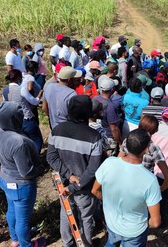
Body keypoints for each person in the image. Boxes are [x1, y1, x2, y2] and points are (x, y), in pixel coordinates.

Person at [47, 95, 102, 247]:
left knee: (66, 212)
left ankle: (67, 243)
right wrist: (74, 183)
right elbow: (93, 168)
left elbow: (51, 157)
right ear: (87, 113)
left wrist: (67, 175)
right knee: (86, 217)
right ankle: (86, 243)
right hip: (84, 187)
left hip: (62, 184)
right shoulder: (94, 137)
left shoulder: (56, 130)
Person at [92, 129, 162, 247]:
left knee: (111, 242)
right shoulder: (150, 180)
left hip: (111, 223)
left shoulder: (109, 163)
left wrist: (110, 203)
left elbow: (94, 190)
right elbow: (155, 222)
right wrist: (141, 224)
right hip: (134, 232)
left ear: (126, 145)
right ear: (146, 149)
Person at [0, 101, 46, 247]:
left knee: (12, 210)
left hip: (5, 178)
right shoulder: (19, 142)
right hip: (20, 185)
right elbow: (26, 172)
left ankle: (15, 239)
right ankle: (25, 244)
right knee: (23, 219)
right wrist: (40, 170)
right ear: (15, 119)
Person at [119, 115, 168, 191]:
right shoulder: (153, 147)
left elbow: (119, 160)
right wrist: (160, 189)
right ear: (154, 131)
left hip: (127, 181)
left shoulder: (128, 140)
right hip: (145, 186)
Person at [92, 78, 122, 156]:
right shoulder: (111, 106)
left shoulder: (94, 99)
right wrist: (120, 143)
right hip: (108, 138)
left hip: (96, 135)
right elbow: (114, 128)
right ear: (112, 89)